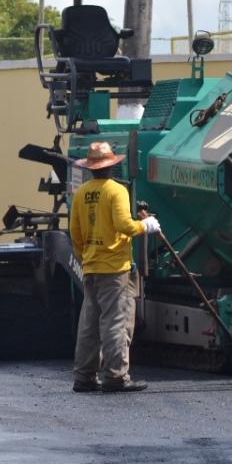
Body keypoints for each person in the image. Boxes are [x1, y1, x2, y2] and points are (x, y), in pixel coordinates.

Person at [68, 141, 161, 393]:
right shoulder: (116, 191)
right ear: (110, 166)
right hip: (114, 269)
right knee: (115, 322)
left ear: (90, 167)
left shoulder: (81, 193)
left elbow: (74, 232)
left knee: (89, 323)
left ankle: (84, 377)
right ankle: (116, 376)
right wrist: (147, 225)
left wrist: (86, 255)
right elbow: (125, 226)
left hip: (91, 266)